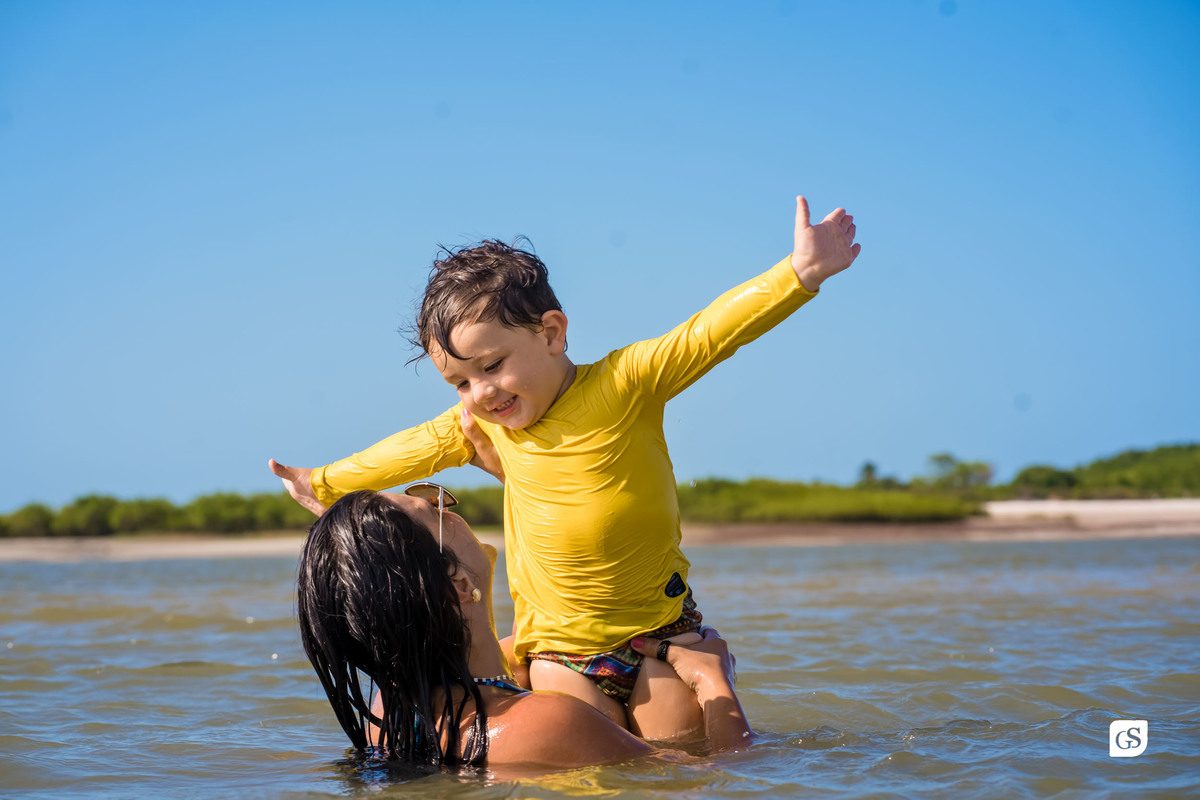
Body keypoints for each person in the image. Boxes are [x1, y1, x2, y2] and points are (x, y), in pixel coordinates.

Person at [276, 195, 859, 737]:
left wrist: (798, 274)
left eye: (493, 365)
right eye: (460, 382)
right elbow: (405, 450)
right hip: (558, 652)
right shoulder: (491, 428)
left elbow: (707, 334)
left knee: (682, 764)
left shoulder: (626, 383)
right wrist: (321, 481)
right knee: (583, 768)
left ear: (551, 333)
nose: (480, 393)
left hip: (660, 635)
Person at [297, 488, 752, 772]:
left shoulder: (390, 712)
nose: (450, 506)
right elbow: (707, 776)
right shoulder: (547, 721)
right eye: (432, 505)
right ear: (459, 585)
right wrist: (716, 684)